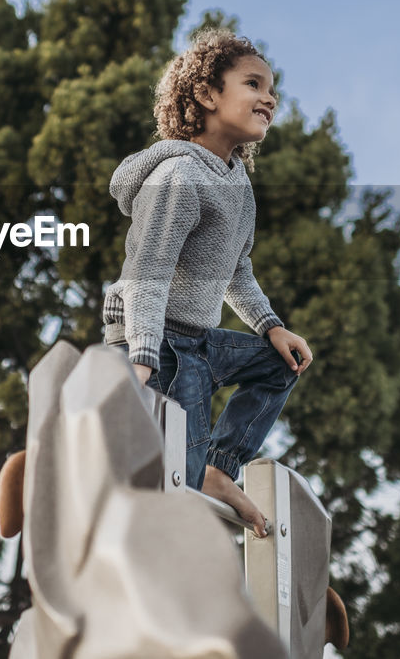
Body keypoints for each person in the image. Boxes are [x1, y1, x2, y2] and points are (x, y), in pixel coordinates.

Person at [101, 28, 313, 539]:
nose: (269, 97)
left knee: (280, 364)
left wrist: (270, 327)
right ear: (207, 93)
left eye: (272, 88)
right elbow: (146, 272)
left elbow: (236, 269)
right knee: (181, 486)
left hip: (196, 340)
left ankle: (223, 468)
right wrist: (143, 354)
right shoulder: (177, 176)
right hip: (156, 339)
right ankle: (190, 502)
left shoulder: (236, 182)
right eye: (253, 84)